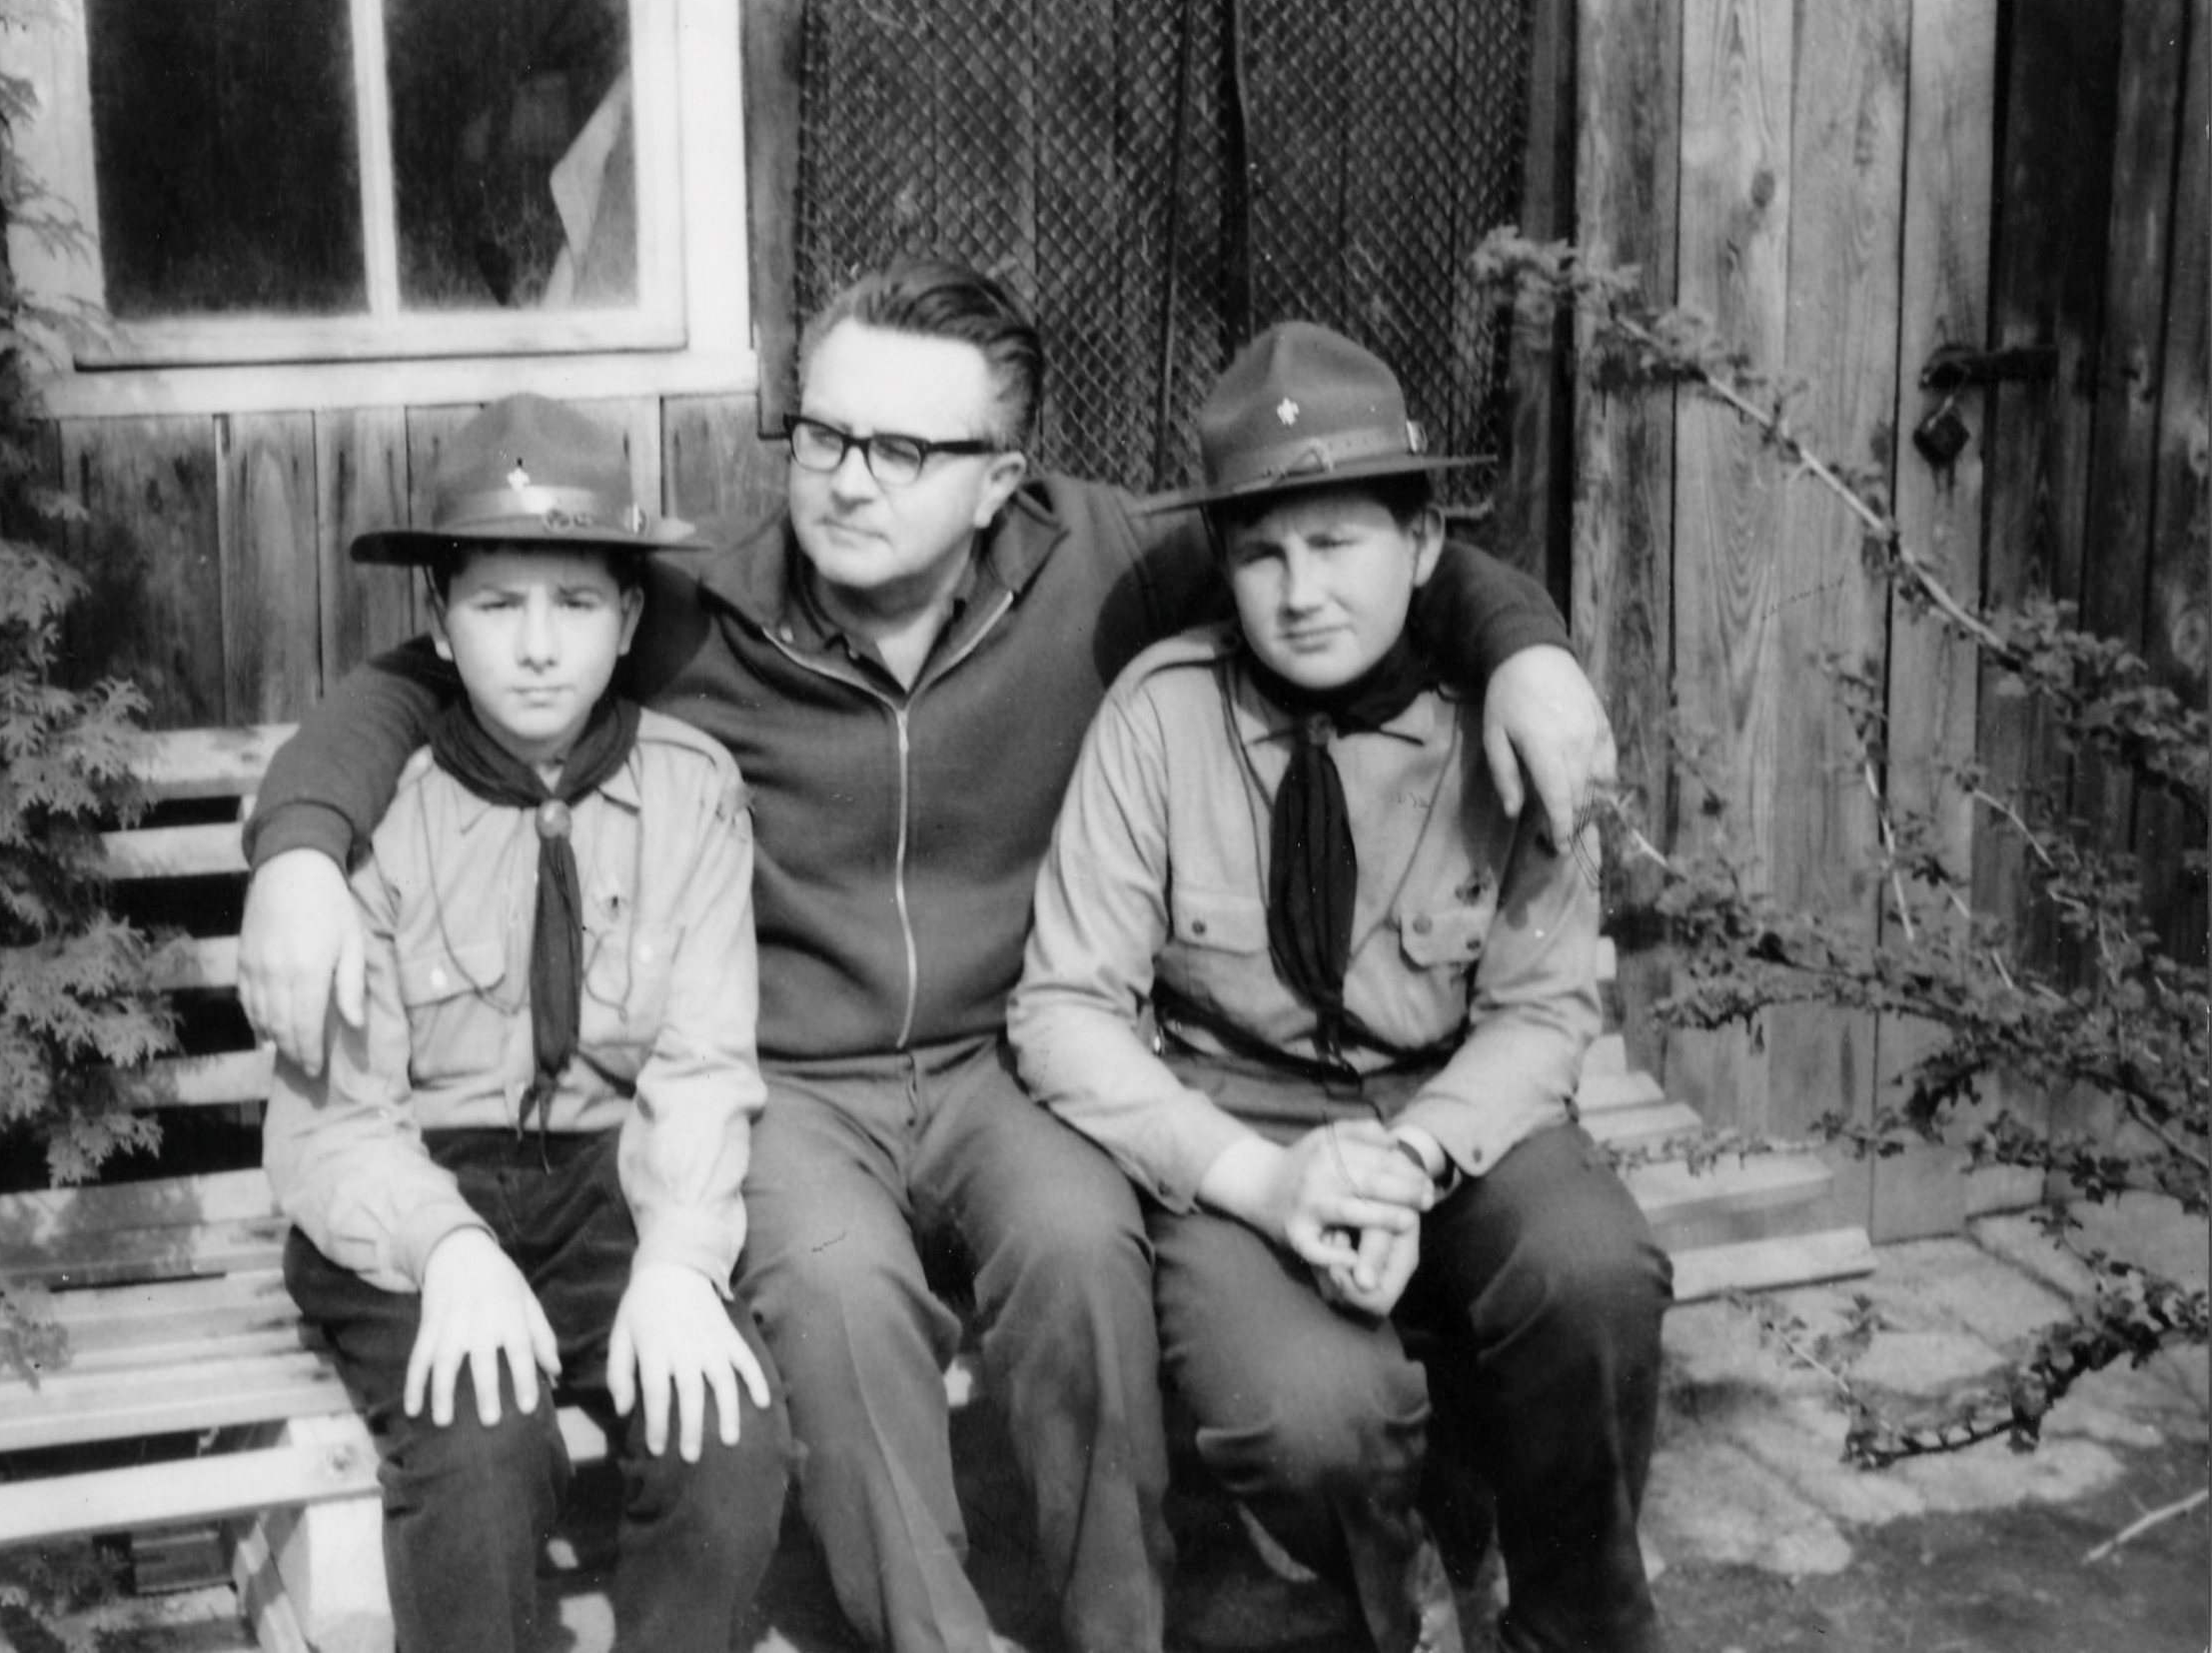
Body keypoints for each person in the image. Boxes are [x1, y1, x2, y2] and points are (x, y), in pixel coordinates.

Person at [237, 261, 1618, 1653]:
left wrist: (1525, 645)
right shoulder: (696, 607)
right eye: (825, 434)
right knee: (839, 1300)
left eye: (903, 450)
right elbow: (443, 668)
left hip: (1002, 1062)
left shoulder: (1100, 568)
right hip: (797, 1083)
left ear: (1000, 478)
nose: (847, 480)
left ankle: (1119, 1634)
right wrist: (299, 846)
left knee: (1080, 1257)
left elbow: (1338, 550)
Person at [1007, 323, 1669, 1653]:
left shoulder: (1505, 724)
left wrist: (1412, 1160)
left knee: (1594, 1277)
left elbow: (1542, 1011)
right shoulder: (1159, 716)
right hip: (1236, 1118)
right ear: (1223, 563)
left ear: (1422, 544)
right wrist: (1259, 1175)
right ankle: (1392, 1593)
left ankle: (1572, 1620)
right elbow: (1063, 1008)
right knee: (1310, 1420)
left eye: (1338, 542)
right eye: (1263, 553)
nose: (1301, 591)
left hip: (1455, 1112)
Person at [262, 393, 791, 1653]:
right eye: (498, 605)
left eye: (577, 604)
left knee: (726, 1429)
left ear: (629, 620)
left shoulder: (691, 794)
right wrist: (447, 1248)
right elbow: (332, 1126)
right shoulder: (371, 813)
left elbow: (704, 1063)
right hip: (417, 1193)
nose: (539, 646)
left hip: (614, 1188)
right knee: (479, 1433)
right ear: (441, 621)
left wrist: (679, 1257)